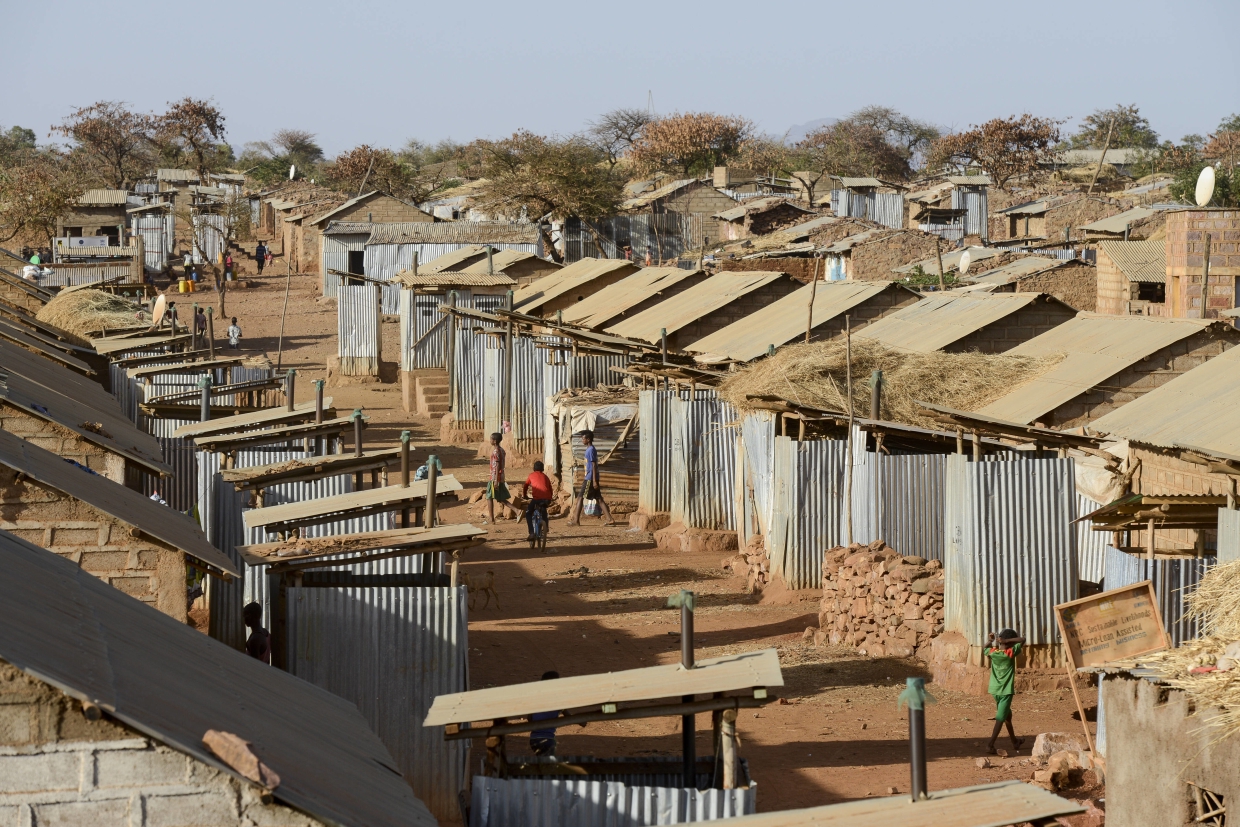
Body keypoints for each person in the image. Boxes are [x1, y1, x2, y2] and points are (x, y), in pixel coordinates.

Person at [985, 628, 1026, 755]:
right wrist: (1008, 640)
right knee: (1000, 718)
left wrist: (990, 640)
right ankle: (990, 744)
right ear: (1011, 643)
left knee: (1007, 716)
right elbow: (1023, 640)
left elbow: (985, 648)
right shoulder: (1011, 653)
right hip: (1005, 691)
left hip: (994, 690)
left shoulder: (993, 652)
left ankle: (1015, 741)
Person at [567, 429, 616, 526]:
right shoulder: (590, 449)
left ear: (588, 439)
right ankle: (610, 519)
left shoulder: (591, 450)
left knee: (580, 497)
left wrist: (594, 480)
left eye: (583, 438)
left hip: (590, 478)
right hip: (591, 477)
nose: (582, 440)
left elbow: (594, 465)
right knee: (599, 499)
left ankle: (576, 520)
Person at [485, 432, 519, 525]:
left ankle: (491, 519)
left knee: (489, 496)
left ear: (494, 441)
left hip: (495, 477)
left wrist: (495, 480)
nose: (490, 440)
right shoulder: (502, 450)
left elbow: (497, 466)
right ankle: (517, 510)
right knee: (500, 498)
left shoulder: (496, 451)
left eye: (491, 439)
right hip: (501, 476)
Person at [529, 671, 562, 756]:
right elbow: (566, 713)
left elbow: (529, 718)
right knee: (547, 765)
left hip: (534, 739)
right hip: (548, 739)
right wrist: (581, 721)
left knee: (542, 762)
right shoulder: (557, 699)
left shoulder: (535, 698)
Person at [521, 461, 554, 542]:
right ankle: (546, 526)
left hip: (536, 499)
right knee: (544, 511)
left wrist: (525, 495)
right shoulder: (545, 477)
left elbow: (525, 486)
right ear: (542, 468)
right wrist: (550, 498)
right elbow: (550, 488)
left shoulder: (531, 475)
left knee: (528, 513)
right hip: (547, 499)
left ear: (534, 468)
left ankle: (531, 533)